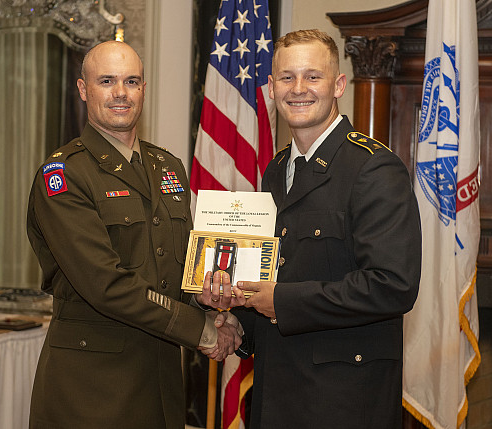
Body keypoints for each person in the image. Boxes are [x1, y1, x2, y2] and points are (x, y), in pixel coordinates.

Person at [198, 29, 422, 429]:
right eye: (286, 77)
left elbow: (392, 285)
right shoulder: (276, 169)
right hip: (277, 390)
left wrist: (281, 302)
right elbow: (278, 273)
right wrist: (236, 324)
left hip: (343, 401)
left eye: (312, 76)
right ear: (270, 87)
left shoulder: (373, 168)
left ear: (338, 85)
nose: (298, 89)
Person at [27, 41, 241, 429]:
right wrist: (202, 330)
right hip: (92, 390)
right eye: (106, 81)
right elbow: (104, 283)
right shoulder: (64, 176)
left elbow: (178, 267)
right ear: (83, 90)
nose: (121, 92)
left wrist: (210, 300)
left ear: (143, 89)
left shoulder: (166, 166)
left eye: (131, 81)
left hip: (160, 384)